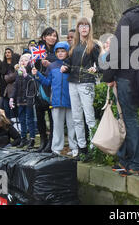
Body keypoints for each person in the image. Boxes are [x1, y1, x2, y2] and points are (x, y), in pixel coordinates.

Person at [102, 0, 139, 176]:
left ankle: (135, 163)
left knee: (129, 118)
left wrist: (109, 76)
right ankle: (129, 160)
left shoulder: (130, 18)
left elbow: (117, 49)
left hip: (128, 75)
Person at [63, 18, 100, 160]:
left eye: (86, 26)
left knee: (89, 117)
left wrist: (95, 69)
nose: (84, 28)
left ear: (89, 29)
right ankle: (82, 148)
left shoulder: (93, 46)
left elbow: (100, 65)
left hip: (87, 83)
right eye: (81, 26)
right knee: (77, 118)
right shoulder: (73, 46)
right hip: (73, 83)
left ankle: (94, 148)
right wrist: (64, 67)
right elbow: (68, 62)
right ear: (78, 29)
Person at [34, 41, 78, 157]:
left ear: (67, 52)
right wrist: (38, 74)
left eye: (63, 51)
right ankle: (56, 149)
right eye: (58, 51)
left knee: (72, 126)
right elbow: (47, 82)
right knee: (57, 127)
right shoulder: (52, 66)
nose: (60, 53)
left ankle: (74, 148)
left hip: (70, 101)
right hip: (56, 101)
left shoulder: (72, 65)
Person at [34, 27, 59, 153]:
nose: (52, 38)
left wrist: (50, 64)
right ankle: (43, 141)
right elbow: (32, 66)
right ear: (44, 37)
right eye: (49, 35)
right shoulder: (38, 51)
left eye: (54, 36)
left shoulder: (57, 51)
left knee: (52, 116)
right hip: (38, 86)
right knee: (39, 116)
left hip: (51, 86)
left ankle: (51, 142)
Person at [9, 53, 37, 149]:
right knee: (21, 120)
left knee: (30, 119)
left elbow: (33, 82)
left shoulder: (31, 70)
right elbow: (15, 86)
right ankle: (23, 138)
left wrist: (26, 75)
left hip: (29, 99)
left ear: (29, 61)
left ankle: (32, 138)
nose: (23, 62)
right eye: (21, 60)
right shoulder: (18, 73)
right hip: (20, 100)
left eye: (25, 60)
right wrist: (12, 98)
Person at [0, 47, 21, 120]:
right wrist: (2, 84)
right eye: (6, 52)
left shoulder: (16, 64)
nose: (7, 54)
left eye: (9, 52)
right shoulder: (2, 65)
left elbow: (19, 74)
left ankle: (16, 126)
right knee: (7, 110)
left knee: (15, 109)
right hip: (5, 91)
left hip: (15, 89)